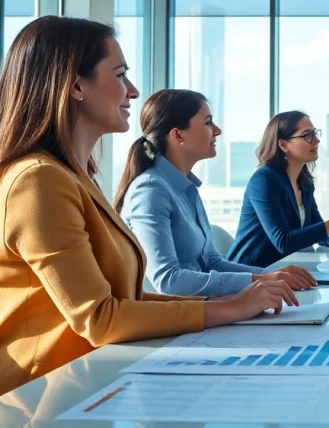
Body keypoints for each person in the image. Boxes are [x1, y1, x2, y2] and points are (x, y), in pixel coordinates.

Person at [0, 16, 296, 404]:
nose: (134, 90)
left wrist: (234, 304)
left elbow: (129, 300)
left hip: (92, 385)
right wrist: (230, 308)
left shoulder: (72, 178)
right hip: (42, 402)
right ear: (75, 86)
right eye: (121, 75)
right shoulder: (37, 181)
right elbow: (100, 318)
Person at [114, 89, 317, 298]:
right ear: (178, 134)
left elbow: (212, 262)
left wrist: (272, 274)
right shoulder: (150, 191)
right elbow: (168, 281)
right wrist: (260, 280)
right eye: (208, 122)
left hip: (206, 309)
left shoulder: (186, 188)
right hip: (178, 321)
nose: (217, 130)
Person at [227, 111, 329, 268]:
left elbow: (315, 227)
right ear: (283, 145)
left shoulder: (304, 183)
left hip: (284, 273)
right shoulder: (264, 180)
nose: (316, 140)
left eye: (315, 134)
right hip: (250, 275)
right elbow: (284, 242)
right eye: (307, 135)